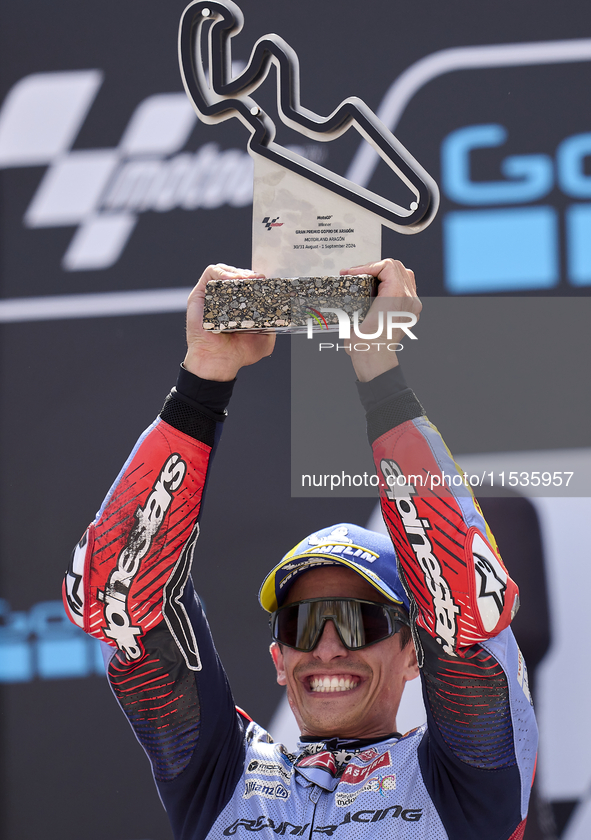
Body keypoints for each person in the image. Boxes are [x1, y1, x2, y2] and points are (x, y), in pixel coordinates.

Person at [63, 259, 537, 840]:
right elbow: (115, 595)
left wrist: (377, 367)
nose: (328, 648)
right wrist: (204, 379)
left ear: (416, 654)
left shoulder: (468, 784)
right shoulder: (224, 782)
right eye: (302, 624)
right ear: (278, 660)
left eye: (359, 620)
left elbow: (467, 604)